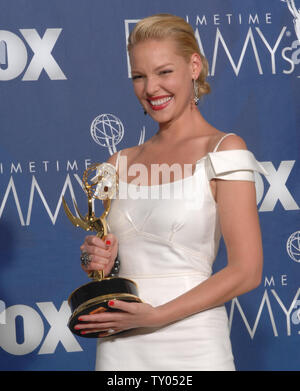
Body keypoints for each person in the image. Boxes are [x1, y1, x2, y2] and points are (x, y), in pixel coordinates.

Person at [75, 14, 268, 371]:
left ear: (194, 66)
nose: (151, 88)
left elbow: (247, 270)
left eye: (164, 72)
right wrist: (99, 260)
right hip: (121, 347)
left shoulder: (224, 151)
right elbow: (119, 260)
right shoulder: (118, 163)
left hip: (192, 345)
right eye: (139, 76)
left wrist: (155, 316)